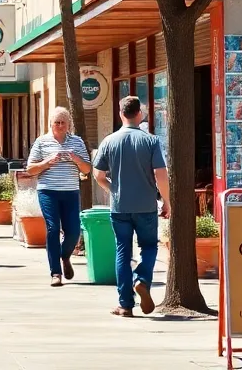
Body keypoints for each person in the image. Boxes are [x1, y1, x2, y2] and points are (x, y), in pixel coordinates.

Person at [94, 96, 171, 317]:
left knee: (122, 251)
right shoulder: (151, 141)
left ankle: (125, 304)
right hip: (146, 205)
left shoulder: (109, 141)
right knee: (149, 247)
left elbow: (98, 175)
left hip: (119, 207)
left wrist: (113, 189)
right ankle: (143, 279)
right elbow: (160, 174)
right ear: (140, 114)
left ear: (121, 114)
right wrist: (166, 201)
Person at [26, 107, 92, 286]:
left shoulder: (77, 142)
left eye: (63, 122)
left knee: (73, 232)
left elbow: (87, 169)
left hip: (70, 192)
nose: (60, 126)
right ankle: (56, 272)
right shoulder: (42, 142)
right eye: (57, 122)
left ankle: (64, 256)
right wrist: (47, 163)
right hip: (48, 191)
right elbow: (30, 169)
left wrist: (75, 158)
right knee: (53, 229)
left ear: (69, 124)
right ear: (50, 124)